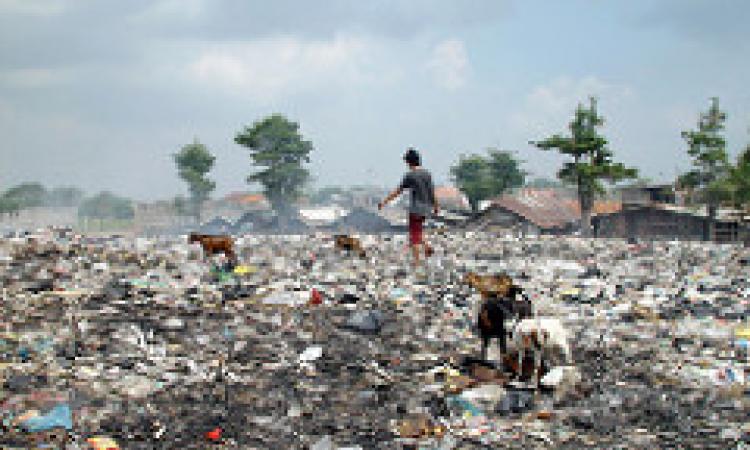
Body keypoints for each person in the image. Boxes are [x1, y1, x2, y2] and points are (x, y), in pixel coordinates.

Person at [378, 147, 438, 267]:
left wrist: (384, 202)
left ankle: (417, 263)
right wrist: (436, 206)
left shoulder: (410, 175)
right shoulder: (427, 174)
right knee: (418, 231)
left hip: (416, 209)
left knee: (414, 237)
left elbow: (398, 191)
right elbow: (432, 191)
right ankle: (427, 247)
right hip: (427, 208)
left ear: (409, 162)